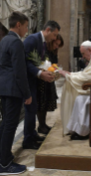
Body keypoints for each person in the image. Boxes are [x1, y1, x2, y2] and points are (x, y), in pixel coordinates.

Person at [0, 11, 32, 175]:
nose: (26, 31)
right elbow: (19, 72)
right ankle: (5, 164)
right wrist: (27, 93)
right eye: (26, 27)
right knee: (10, 125)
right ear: (18, 25)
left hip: (4, 87)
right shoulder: (16, 42)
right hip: (13, 89)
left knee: (5, 123)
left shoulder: (3, 40)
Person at [22, 20, 60, 149]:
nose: (55, 38)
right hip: (28, 80)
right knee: (30, 110)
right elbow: (24, 61)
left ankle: (32, 134)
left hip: (35, 81)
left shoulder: (42, 41)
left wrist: (46, 70)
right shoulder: (32, 39)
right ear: (48, 30)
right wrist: (39, 73)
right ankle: (27, 140)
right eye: (54, 35)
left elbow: (38, 61)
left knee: (33, 109)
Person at [37, 34, 64, 135]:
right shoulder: (44, 49)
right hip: (42, 80)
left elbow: (55, 64)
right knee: (41, 103)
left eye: (59, 45)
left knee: (47, 103)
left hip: (49, 79)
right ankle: (41, 125)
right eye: (56, 44)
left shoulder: (53, 52)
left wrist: (56, 70)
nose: (57, 46)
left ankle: (43, 124)